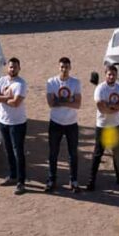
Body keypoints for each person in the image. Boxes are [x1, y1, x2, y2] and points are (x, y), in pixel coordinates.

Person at [86, 64, 119, 191]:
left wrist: (112, 106)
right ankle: (91, 180)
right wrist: (117, 107)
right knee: (98, 154)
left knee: (117, 153)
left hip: (116, 125)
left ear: (116, 76)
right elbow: (101, 108)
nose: (111, 76)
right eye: (109, 74)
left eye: (114, 74)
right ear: (105, 75)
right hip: (103, 126)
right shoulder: (100, 89)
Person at [0, 57, 28, 195]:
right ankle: (13, 176)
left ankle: (21, 182)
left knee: (18, 153)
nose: (12, 69)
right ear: (8, 68)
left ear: (19, 68)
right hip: (4, 122)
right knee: (8, 150)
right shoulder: (2, 81)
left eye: (15, 67)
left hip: (17, 123)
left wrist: (2, 98)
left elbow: (16, 103)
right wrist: (7, 98)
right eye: (11, 67)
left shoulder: (21, 84)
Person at [45, 57, 82, 193]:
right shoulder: (51, 82)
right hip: (55, 122)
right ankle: (51, 179)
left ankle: (74, 180)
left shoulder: (76, 82)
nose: (64, 69)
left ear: (70, 68)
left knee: (73, 154)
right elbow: (50, 103)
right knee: (53, 153)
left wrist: (59, 100)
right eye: (62, 67)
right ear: (58, 67)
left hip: (71, 123)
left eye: (66, 67)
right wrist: (69, 99)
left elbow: (78, 104)